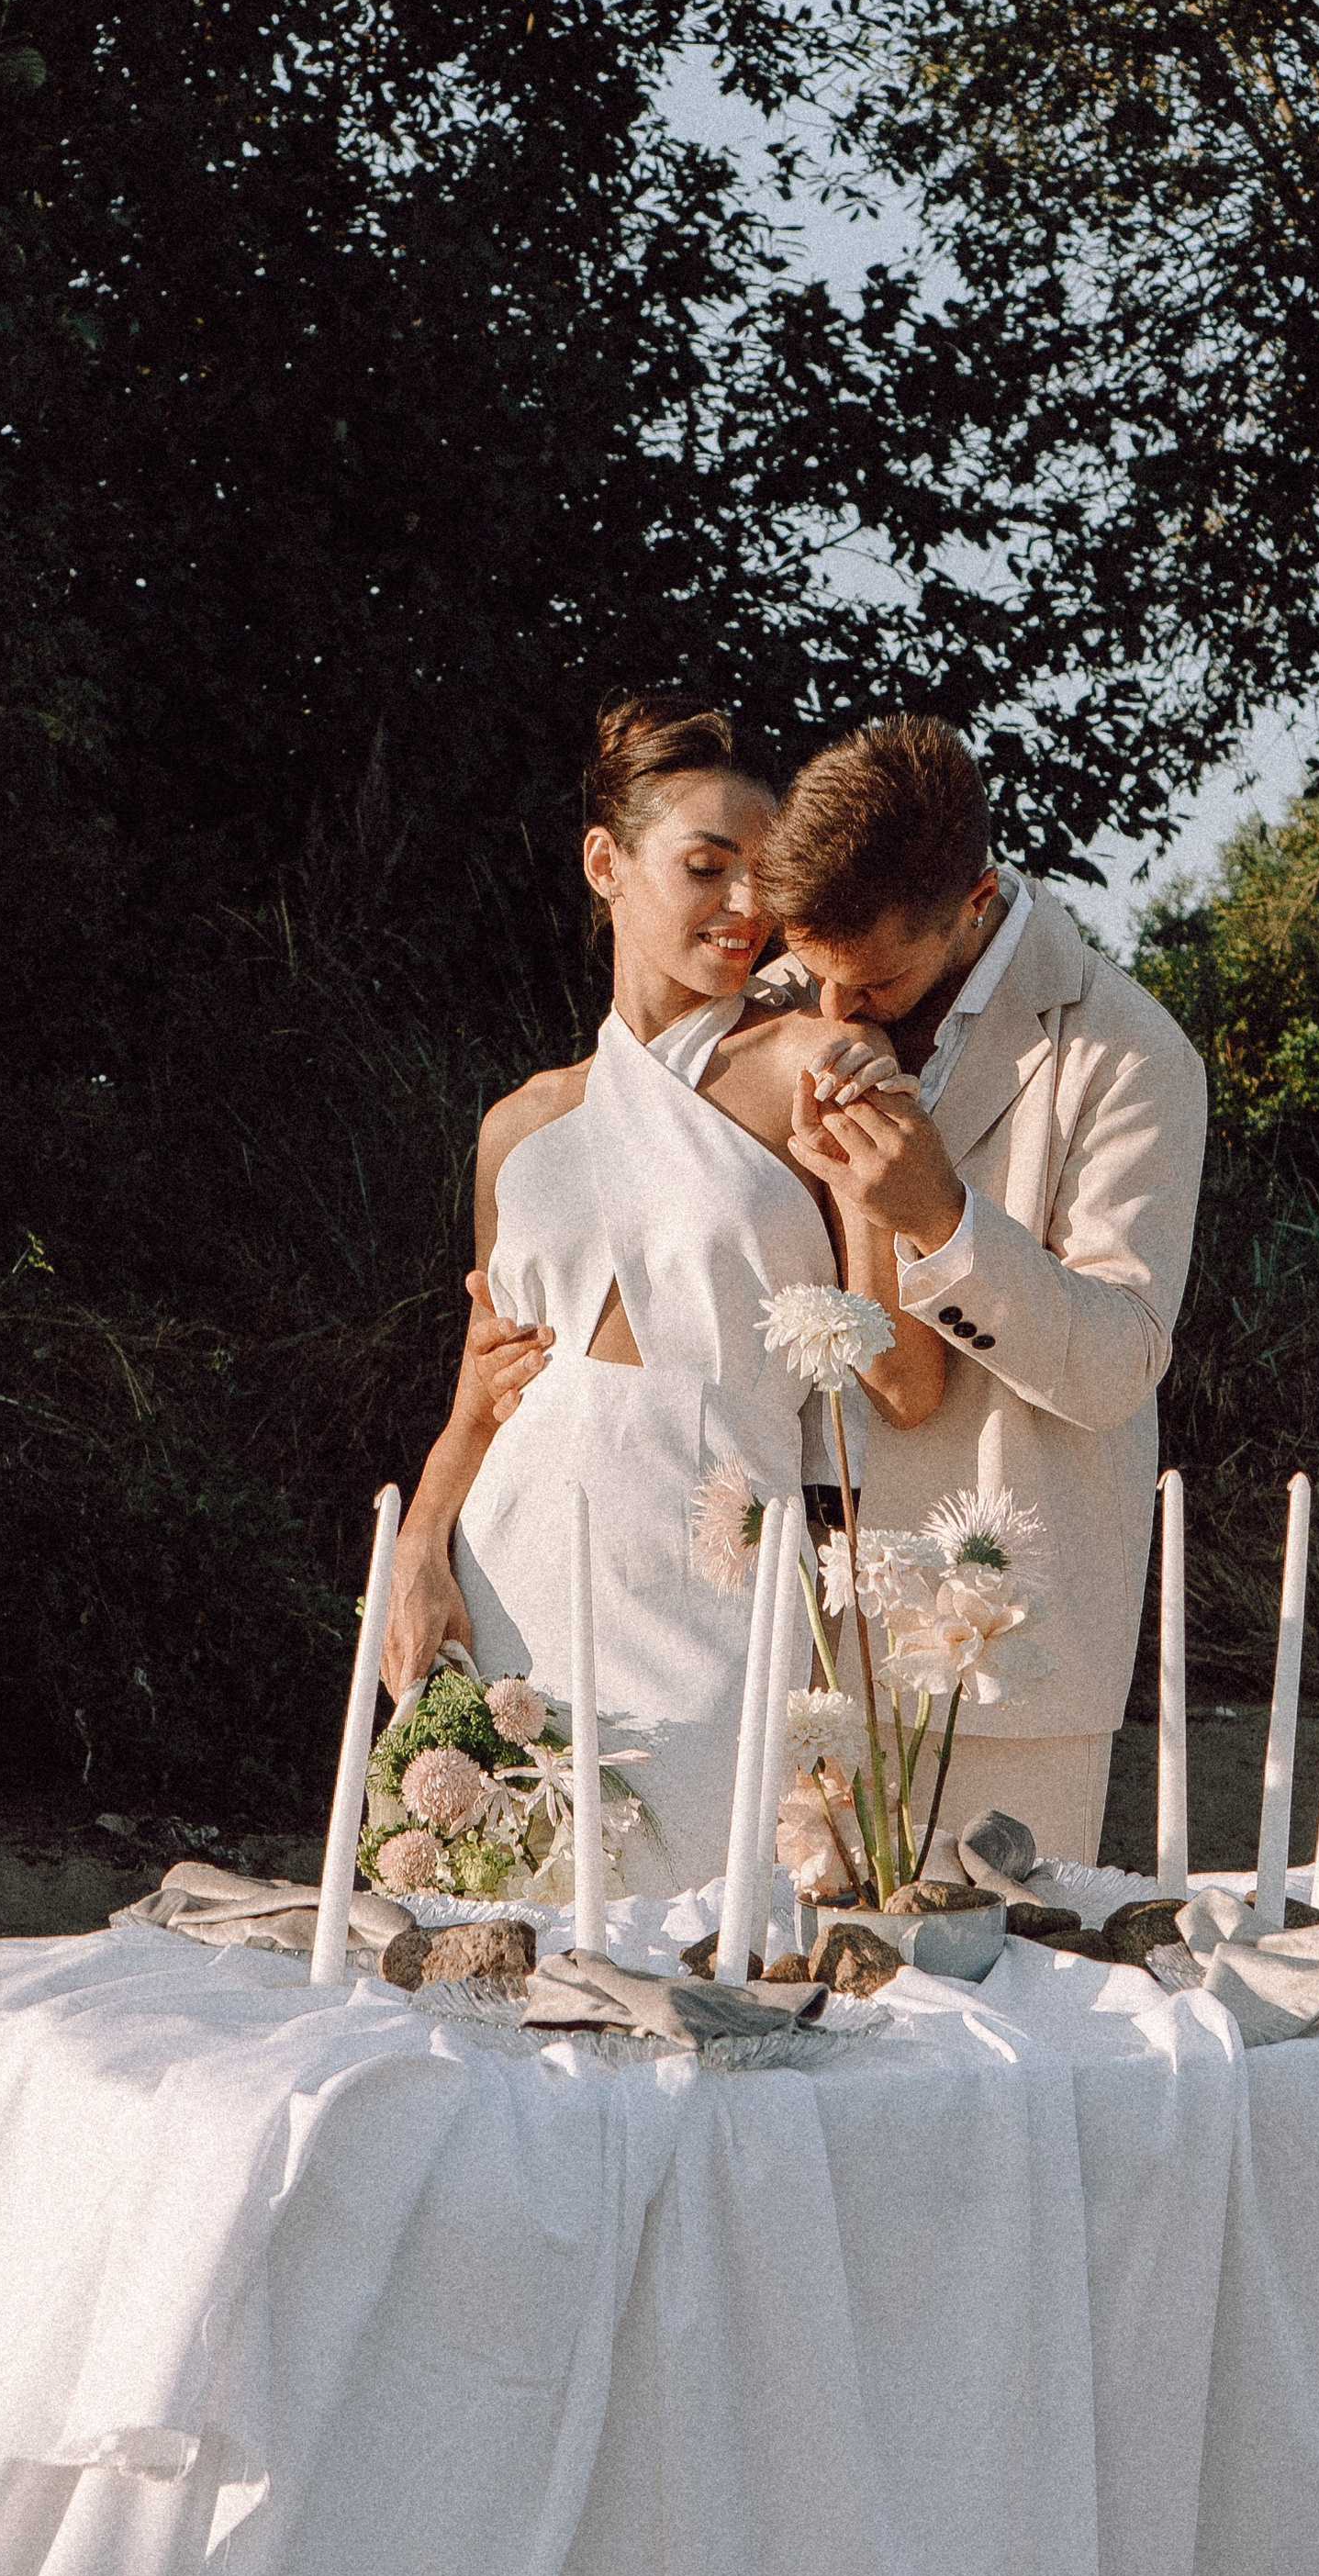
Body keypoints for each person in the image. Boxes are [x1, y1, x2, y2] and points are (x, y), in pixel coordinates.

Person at [382, 695, 944, 1888]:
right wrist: (419, 1549)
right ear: (607, 864)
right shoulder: (518, 1128)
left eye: (766, 876)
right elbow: (487, 1391)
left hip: (720, 1591)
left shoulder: (818, 1068)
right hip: (515, 1573)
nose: (748, 909)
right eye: (706, 867)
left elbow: (902, 1381)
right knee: (484, 1938)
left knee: (700, 1950)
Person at [765, 714, 1206, 1870]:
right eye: (816, 975)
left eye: (872, 982)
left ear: (974, 898)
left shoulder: (1128, 1053)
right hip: (770, 1639)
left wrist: (940, 1219)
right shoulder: (778, 1002)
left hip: (999, 1663)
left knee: (997, 2019)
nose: (836, 1012)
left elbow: (1119, 1360)